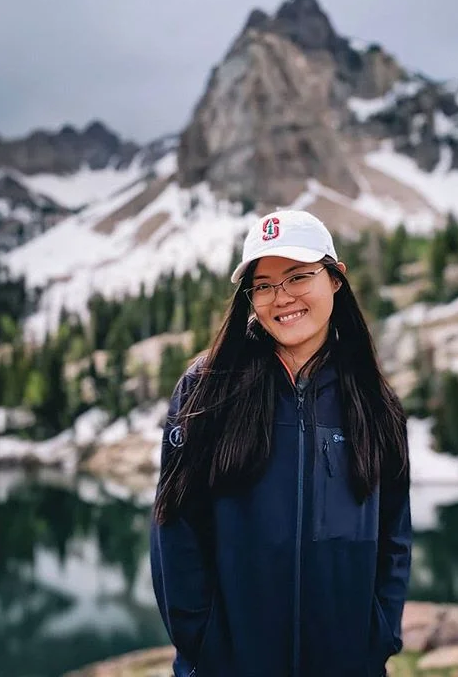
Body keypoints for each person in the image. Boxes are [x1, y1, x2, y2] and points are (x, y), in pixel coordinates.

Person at [150, 209, 412, 677]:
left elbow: (394, 537)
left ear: (335, 279)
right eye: (264, 284)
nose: (281, 297)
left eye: (297, 277)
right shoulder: (206, 388)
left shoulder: (375, 400)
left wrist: (378, 638)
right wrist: (204, 649)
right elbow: (176, 529)